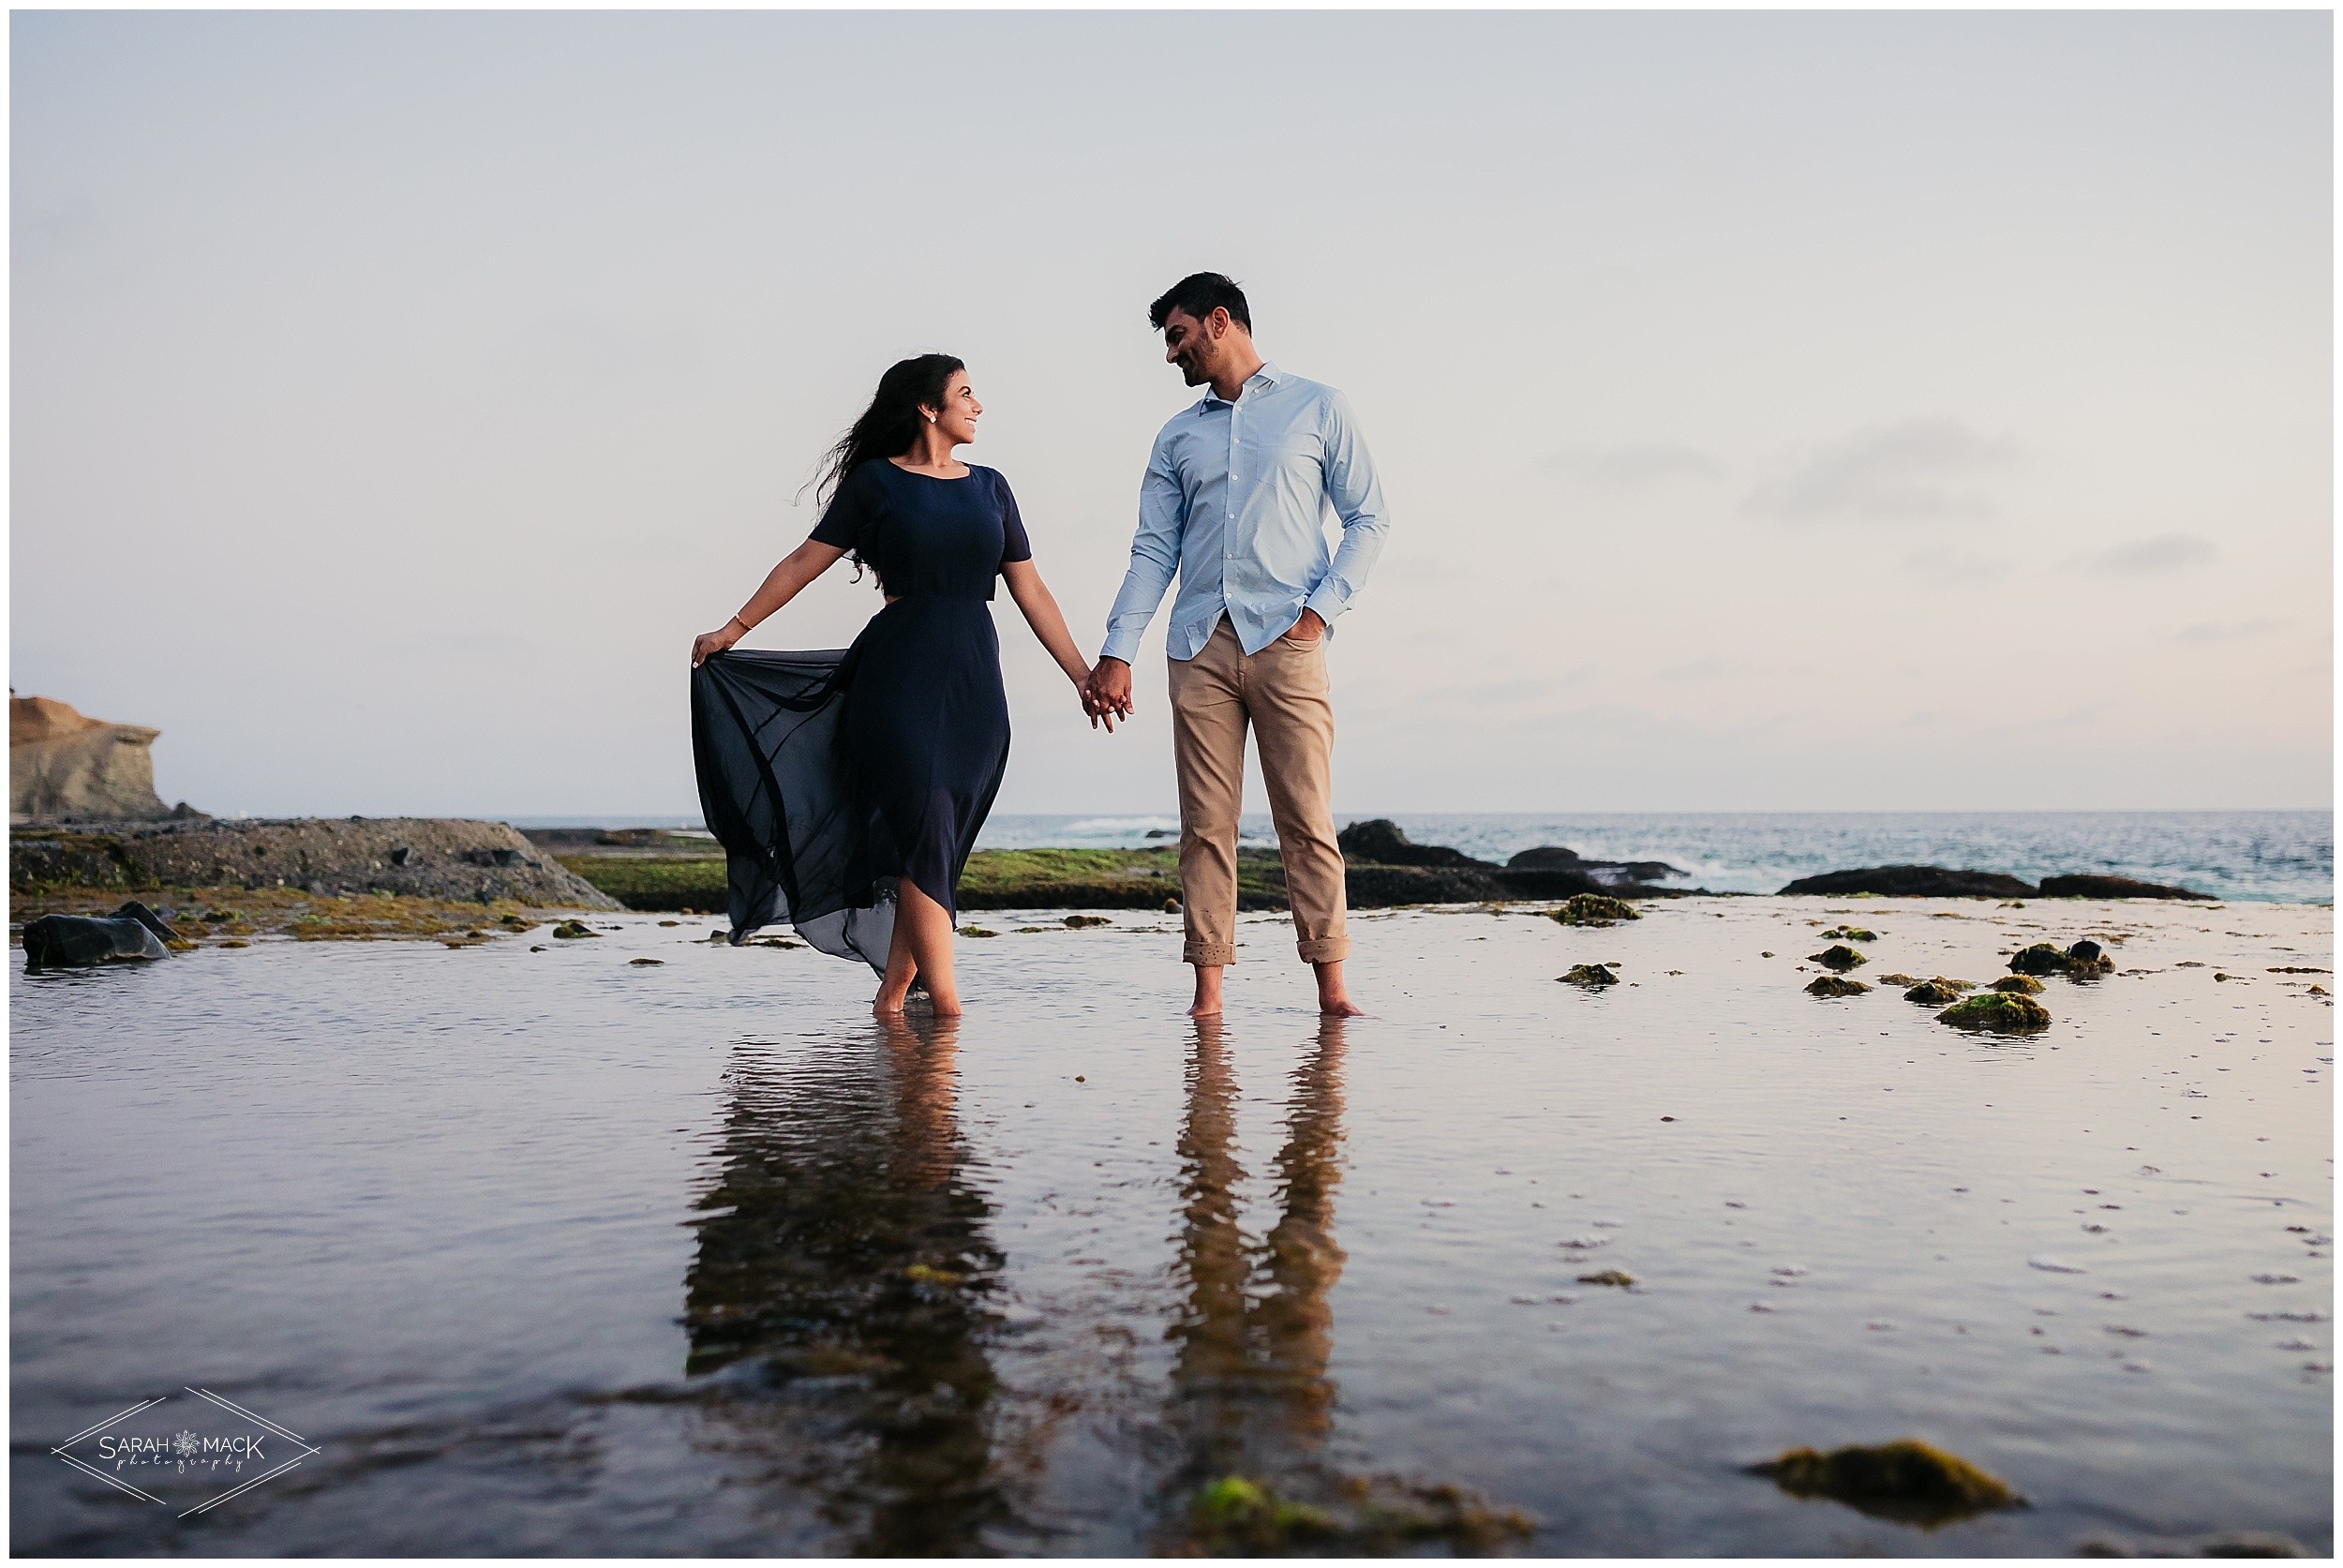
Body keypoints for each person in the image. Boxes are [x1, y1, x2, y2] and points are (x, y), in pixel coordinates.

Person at [692, 354, 1101, 1018]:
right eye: (966, 393)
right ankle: (947, 1011)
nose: (979, 405)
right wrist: (733, 628)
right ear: (927, 407)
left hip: (974, 685)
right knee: (925, 825)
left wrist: (1081, 673)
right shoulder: (876, 484)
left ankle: (890, 1003)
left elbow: (1030, 587)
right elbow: (805, 560)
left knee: (934, 841)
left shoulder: (992, 488)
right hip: (898, 679)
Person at [1082, 275, 1390, 1019]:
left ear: (1221, 322)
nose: (1170, 353)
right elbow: (1153, 550)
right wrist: (1117, 649)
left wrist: (1319, 615)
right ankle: (1208, 997)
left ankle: (1334, 991)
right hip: (1199, 648)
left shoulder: (1318, 406)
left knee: (1306, 819)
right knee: (1205, 828)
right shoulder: (1176, 436)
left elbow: (1369, 519)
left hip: (1289, 640)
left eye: (1178, 335)